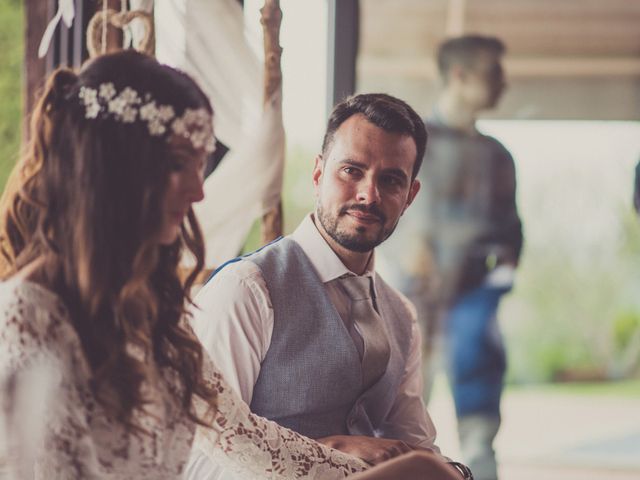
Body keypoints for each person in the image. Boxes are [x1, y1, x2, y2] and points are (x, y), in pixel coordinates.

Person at [0, 50, 373, 479]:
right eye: (179, 164)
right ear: (115, 168)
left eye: (201, 164)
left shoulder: (149, 310)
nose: (199, 191)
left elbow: (242, 437)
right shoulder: (24, 317)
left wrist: (386, 472)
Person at [188, 93, 472, 479]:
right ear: (318, 174)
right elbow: (200, 458)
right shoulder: (248, 289)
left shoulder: (401, 315)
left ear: (410, 196)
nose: (368, 195)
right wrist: (327, 451)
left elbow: (416, 449)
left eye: (390, 180)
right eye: (352, 171)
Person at [383, 35, 523, 480]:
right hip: (411, 299)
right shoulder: (409, 145)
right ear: (460, 76)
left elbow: (511, 234)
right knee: (399, 421)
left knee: (481, 427)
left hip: (473, 303)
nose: (504, 82)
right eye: (493, 72)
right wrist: (406, 255)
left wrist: (494, 287)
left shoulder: (498, 156)